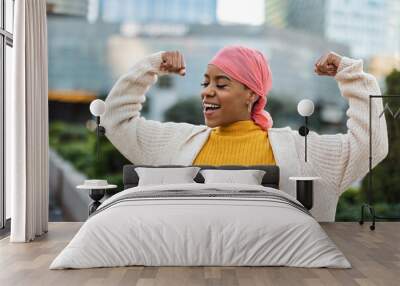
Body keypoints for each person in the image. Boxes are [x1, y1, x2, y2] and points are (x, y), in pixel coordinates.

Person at [100, 45, 388, 222]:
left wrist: (351, 74)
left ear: (251, 94)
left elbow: (371, 144)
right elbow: (116, 120)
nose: (206, 91)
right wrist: (150, 67)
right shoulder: (176, 143)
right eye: (205, 82)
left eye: (221, 84)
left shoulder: (303, 151)